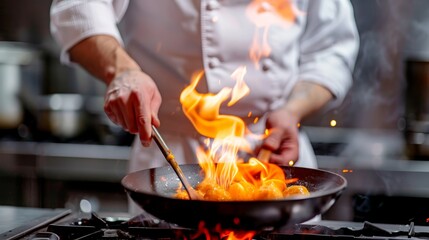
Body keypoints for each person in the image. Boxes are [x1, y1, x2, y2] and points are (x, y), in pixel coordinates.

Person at [50, 0, 359, 214]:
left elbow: (331, 49)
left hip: (274, 154)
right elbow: (78, 8)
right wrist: (123, 70)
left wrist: (292, 110)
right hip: (170, 158)